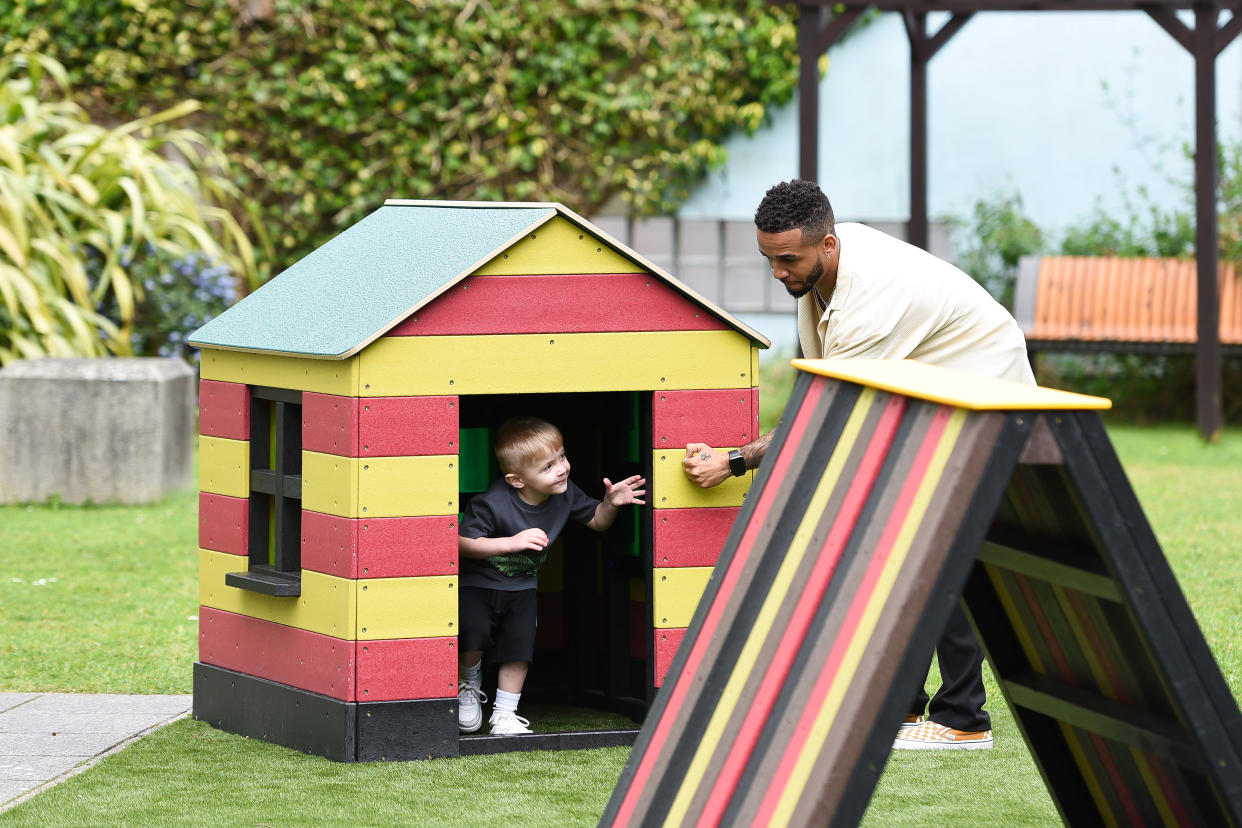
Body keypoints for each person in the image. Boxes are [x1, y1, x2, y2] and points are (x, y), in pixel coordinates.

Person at [681, 179, 1035, 751]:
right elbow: (824, 386)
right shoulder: (821, 270)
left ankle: (963, 720)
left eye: (787, 260)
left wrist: (736, 460)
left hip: (986, 403)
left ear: (827, 245)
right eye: (768, 259)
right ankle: (902, 707)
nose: (777, 273)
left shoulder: (873, 300)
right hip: (928, 397)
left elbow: (827, 410)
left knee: (940, 557)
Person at [457, 416, 646, 736]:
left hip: (523, 586)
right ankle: (468, 684)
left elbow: (598, 521)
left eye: (561, 457)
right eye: (547, 467)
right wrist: (510, 543)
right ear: (517, 480)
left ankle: (504, 714)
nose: (561, 468)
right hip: (479, 584)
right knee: (474, 635)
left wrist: (611, 503)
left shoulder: (566, 494)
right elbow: (462, 543)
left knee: (519, 647)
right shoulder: (492, 501)